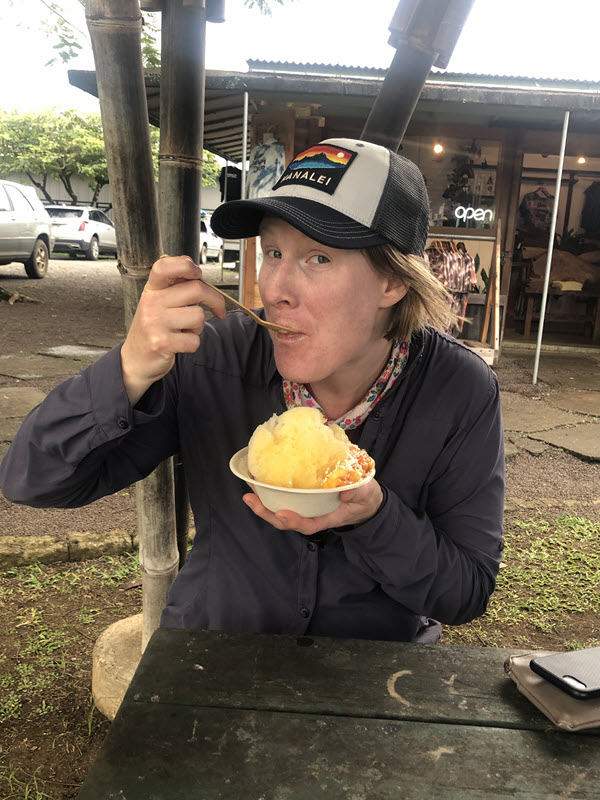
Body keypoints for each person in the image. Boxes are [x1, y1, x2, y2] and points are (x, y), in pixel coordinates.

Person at [0, 138, 504, 643]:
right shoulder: (210, 358)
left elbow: (466, 592)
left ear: (393, 282)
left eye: (318, 259)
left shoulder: (459, 390)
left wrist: (374, 518)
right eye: (274, 251)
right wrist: (129, 369)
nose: (275, 289)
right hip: (214, 654)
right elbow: (34, 480)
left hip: (371, 680)